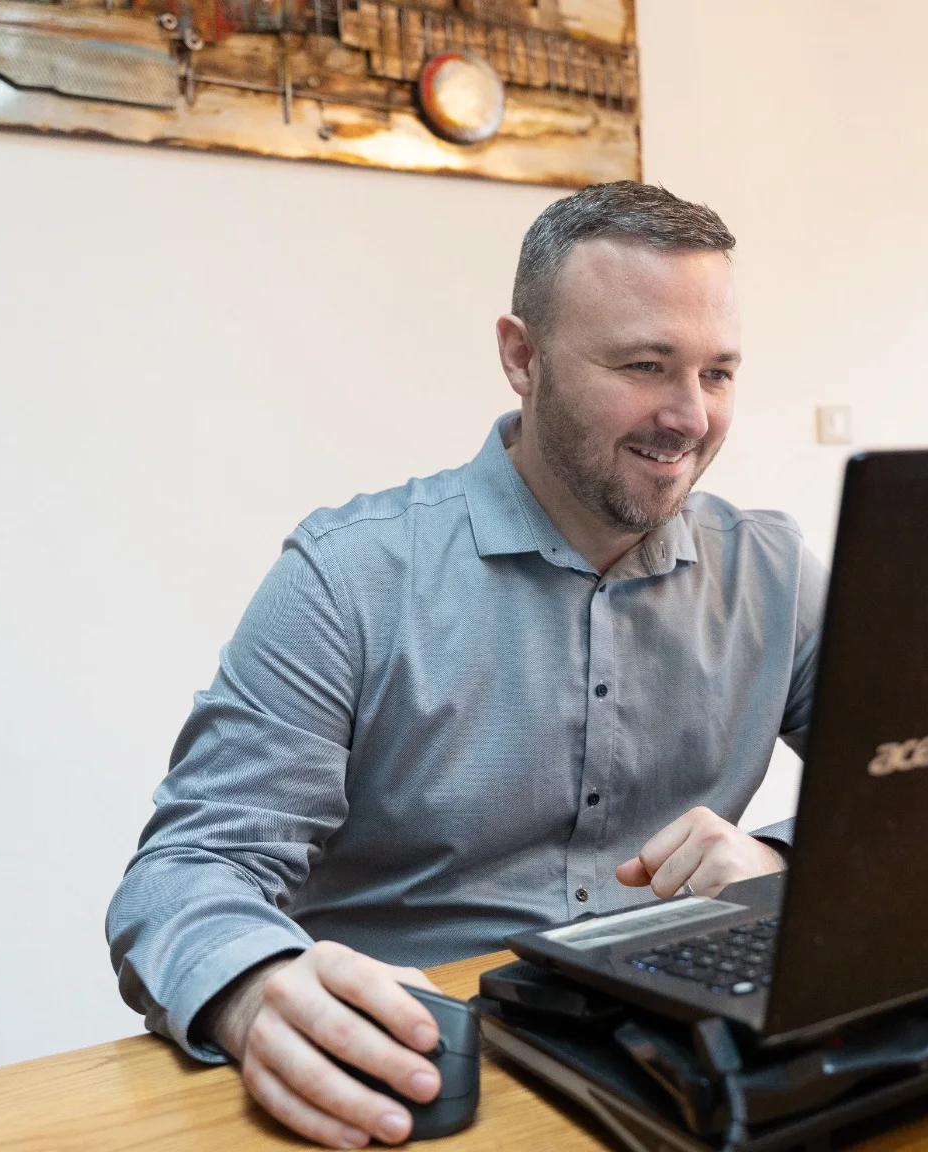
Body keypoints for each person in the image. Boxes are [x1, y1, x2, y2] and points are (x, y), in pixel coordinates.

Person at [105, 181, 826, 1148]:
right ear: (522, 357)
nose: (690, 417)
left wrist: (777, 861)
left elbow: (925, 796)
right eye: (647, 364)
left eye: (719, 373)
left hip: (680, 1066)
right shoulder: (349, 575)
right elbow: (189, 869)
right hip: (414, 1076)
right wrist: (253, 990)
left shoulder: (775, 571)